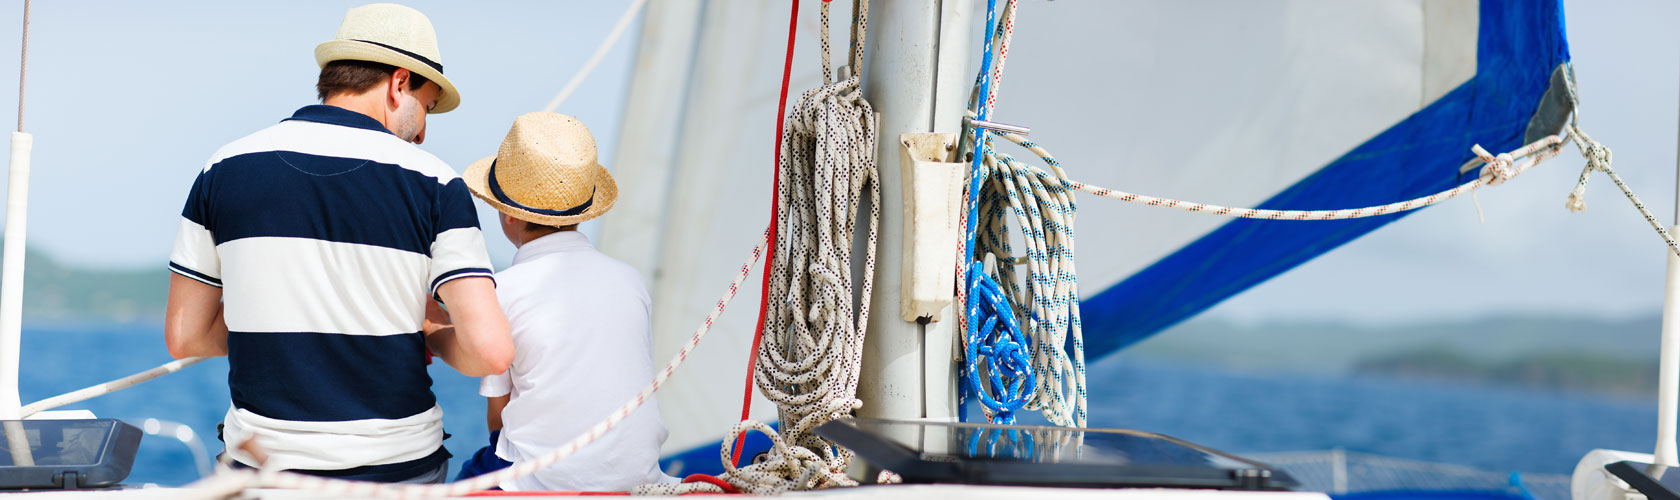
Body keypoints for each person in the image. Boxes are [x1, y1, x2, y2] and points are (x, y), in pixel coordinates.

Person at [162, 3, 512, 483]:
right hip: (397, 473)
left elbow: (185, 336)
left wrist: (278, 316)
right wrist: (427, 329)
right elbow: (490, 353)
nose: (422, 132)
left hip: (262, 473)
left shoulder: (223, 168)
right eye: (427, 107)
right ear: (398, 83)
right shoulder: (435, 182)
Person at [451, 112, 676, 491]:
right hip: (638, 475)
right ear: (583, 212)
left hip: (545, 479)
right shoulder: (630, 280)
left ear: (507, 214)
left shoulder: (502, 289)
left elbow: (498, 422)